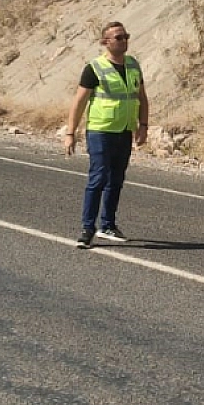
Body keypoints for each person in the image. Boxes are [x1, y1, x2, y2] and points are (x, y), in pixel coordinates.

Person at [63, 21, 149, 248]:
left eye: (125, 36)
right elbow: (79, 102)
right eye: (118, 37)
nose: (124, 41)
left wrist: (143, 125)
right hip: (100, 131)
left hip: (124, 131)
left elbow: (141, 97)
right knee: (98, 178)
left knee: (116, 179)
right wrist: (70, 132)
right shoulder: (95, 68)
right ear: (105, 42)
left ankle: (108, 225)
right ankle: (87, 228)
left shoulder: (133, 65)